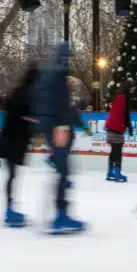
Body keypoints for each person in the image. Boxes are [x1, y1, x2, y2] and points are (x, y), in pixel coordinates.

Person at [34, 42, 84, 234]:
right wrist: (61, 127)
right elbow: (61, 104)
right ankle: (60, 216)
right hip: (58, 128)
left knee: (62, 171)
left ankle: (60, 213)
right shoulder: (60, 74)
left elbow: (43, 103)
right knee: (63, 172)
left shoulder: (47, 73)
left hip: (50, 127)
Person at [0, 63, 39, 227]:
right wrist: (30, 119)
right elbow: (19, 114)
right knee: (12, 175)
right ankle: (9, 210)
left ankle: (9, 209)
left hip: (10, 139)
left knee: (12, 175)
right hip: (14, 140)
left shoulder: (19, 91)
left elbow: (9, 109)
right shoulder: (27, 94)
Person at [104, 78, 133, 183]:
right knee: (117, 151)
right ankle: (117, 172)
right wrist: (130, 127)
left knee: (113, 150)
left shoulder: (117, 96)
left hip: (110, 127)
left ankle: (110, 171)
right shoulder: (124, 98)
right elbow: (126, 114)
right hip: (117, 128)